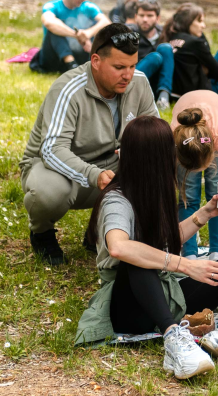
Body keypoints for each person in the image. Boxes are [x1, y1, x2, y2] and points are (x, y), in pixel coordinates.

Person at [77, 115, 218, 379]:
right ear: (157, 158)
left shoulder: (155, 190)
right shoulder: (117, 200)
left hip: (168, 293)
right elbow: (119, 248)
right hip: (129, 306)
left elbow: (165, 241)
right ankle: (174, 339)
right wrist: (185, 264)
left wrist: (204, 214)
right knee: (138, 256)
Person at [21, 23, 159, 264]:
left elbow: (154, 132)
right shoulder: (68, 88)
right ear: (95, 61)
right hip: (56, 168)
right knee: (50, 193)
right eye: (119, 67)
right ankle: (41, 233)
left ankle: (100, 230)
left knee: (160, 165)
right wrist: (93, 174)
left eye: (133, 66)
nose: (128, 75)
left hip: (111, 167)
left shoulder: (139, 81)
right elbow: (52, 150)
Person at [171, 93, 218, 259]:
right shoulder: (174, 137)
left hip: (217, 119)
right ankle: (188, 252)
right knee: (187, 197)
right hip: (188, 111)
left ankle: (217, 250)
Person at [30, 0, 112, 74]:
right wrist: (77, 35)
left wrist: (88, 33)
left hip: (78, 55)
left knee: (98, 29)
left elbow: (106, 22)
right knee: (55, 30)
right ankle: (71, 65)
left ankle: (81, 65)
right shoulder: (52, 6)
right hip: (52, 59)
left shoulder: (88, 7)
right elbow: (48, 22)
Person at [128, 0, 174, 110]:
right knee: (155, 57)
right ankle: (128, 96)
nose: (145, 19)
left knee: (166, 48)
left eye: (149, 16)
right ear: (135, 17)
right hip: (133, 80)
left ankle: (163, 97)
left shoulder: (165, 34)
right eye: (141, 15)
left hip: (155, 84)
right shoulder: (128, 33)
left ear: (157, 18)